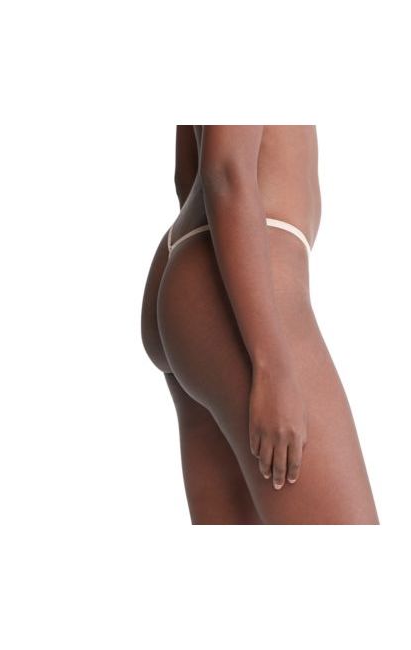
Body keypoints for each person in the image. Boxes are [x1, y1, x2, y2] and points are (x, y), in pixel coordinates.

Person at [141, 125, 379, 524]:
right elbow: (226, 169)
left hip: (202, 275)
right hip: (236, 297)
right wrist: (271, 366)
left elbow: (188, 169)